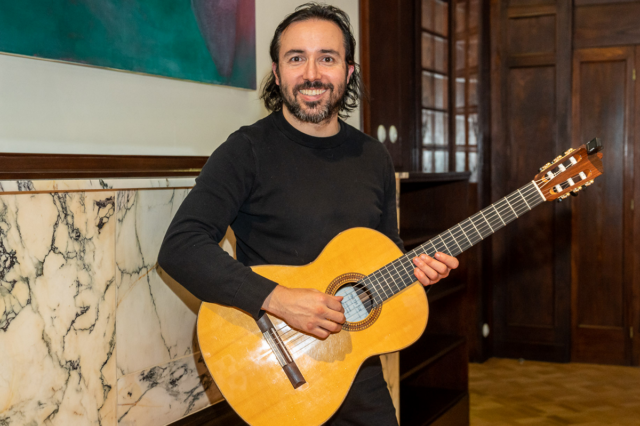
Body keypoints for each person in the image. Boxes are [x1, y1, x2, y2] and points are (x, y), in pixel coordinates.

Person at [158, 3, 459, 425]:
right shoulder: (246, 151)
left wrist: (413, 275)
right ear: (277, 72)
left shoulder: (373, 157)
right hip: (277, 369)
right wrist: (279, 300)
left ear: (348, 72)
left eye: (327, 58)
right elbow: (180, 247)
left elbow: (383, 255)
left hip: (356, 371)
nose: (312, 74)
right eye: (296, 58)